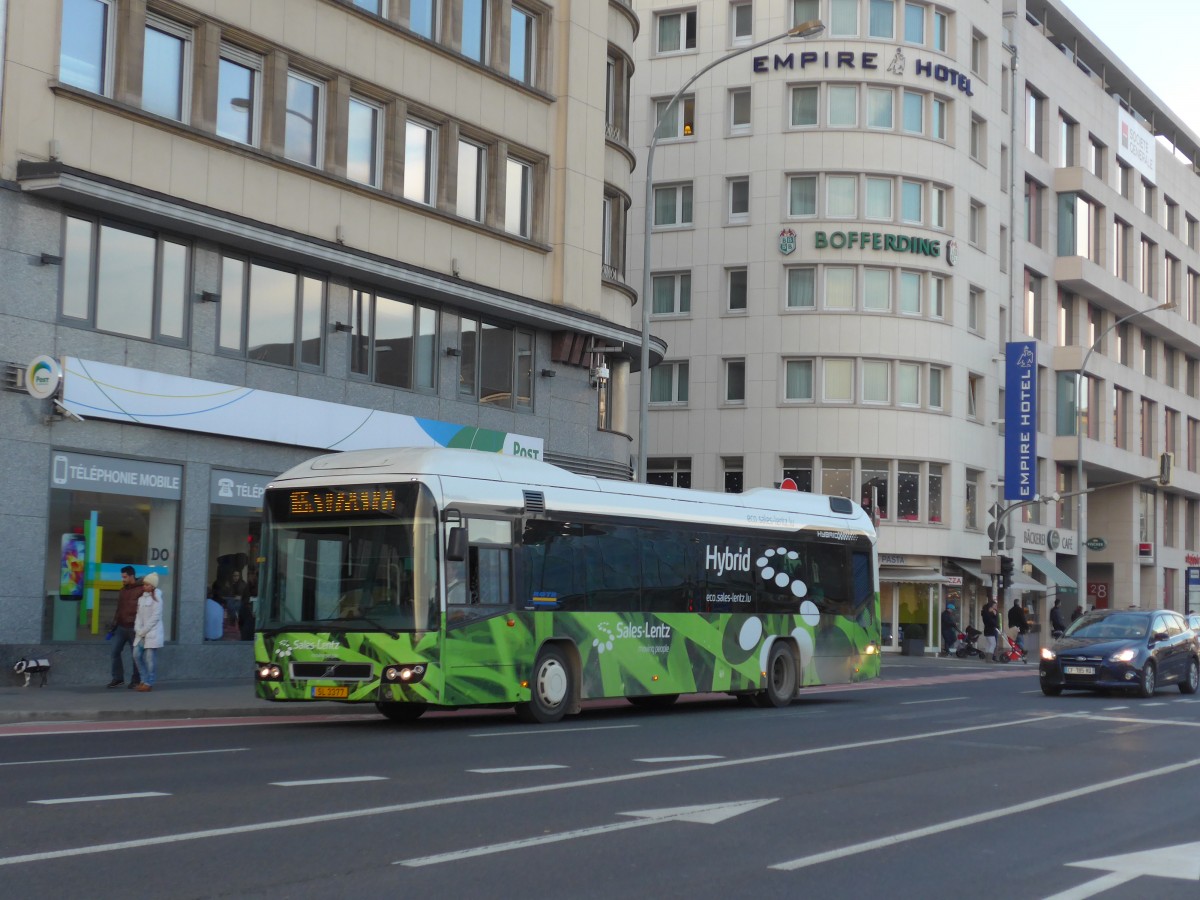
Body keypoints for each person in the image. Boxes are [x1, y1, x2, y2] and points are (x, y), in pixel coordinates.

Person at [107, 565, 143, 689]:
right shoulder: (122, 590)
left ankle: (136, 680)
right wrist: (113, 626)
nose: (123, 579)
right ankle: (118, 678)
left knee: (135, 655)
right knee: (114, 652)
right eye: (122, 577)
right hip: (121, 627)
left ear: (132, 576)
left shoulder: (141, 589)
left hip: (134, 628)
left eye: (125, 577)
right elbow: (119, 610)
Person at [133, 572, 165, 692]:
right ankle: (143, 679)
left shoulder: (157, 599)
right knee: (136, 655)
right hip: (141, 633)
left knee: (149, 659)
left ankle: (148, 682)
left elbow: (155, 618)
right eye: (144, 584)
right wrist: (138, 628)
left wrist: (143, 630)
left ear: (152, 586)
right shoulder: (141, 599)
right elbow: (138, 616)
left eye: (147, 584)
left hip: (152, 634)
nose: (144, 586)